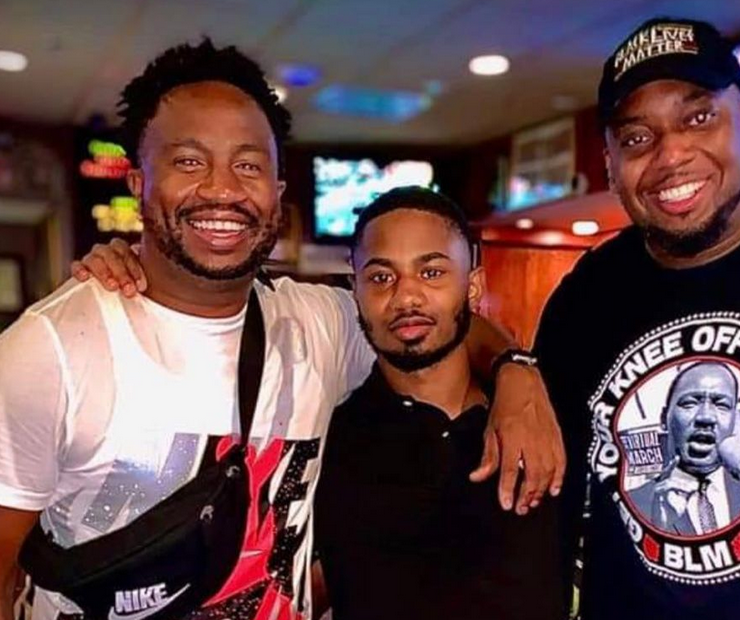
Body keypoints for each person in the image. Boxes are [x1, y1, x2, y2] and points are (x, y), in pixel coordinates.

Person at [0, 40, 564, 620]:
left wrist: (517, 372)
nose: (222, 189)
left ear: (277, 193)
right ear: (139, 184)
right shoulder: (49, 351)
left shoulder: (320, 321)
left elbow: (430, 327)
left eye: (248, 165)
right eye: (189, 161)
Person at [534, 16, 740, 620]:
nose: (671, 154)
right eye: (638, 137)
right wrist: (512, 363)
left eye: (699, 118)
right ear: (612, 165)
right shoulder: (586, 296)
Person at [312, 187, 564, 620]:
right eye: (380, 277)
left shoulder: (541, 418)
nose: (406, 297)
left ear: (473, 286)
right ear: (354, 291)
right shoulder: (327, 443)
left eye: (431, 273)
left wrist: (515, 367)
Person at [627, 361, 740, 536]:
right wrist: (660, 529)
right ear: (664, 419)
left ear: (733, 421)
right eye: (689, 403)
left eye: (722, 405)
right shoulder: (634, 502)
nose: (706, 417)